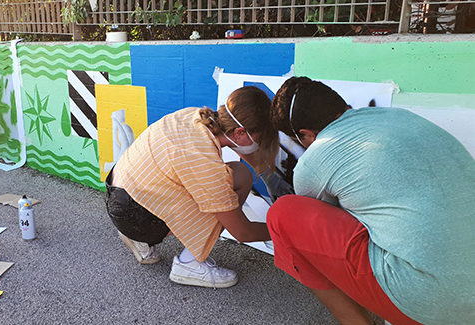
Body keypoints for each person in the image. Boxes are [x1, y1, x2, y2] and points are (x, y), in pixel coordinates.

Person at [266, 76, 475, 324]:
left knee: (283, 215)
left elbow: (326, 228)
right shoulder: (399, 116)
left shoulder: (314, 161)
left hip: (440, 304)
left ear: (305, 135)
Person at [105, 86, 279, 288]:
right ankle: (190, 264)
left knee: (238, 173)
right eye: (259, 138)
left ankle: (141, 242)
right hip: (137, 219)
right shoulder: (206, 163)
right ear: (240, 132)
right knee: (221, 198)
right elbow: (243, 232)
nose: (260, 144)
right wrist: (287, 233)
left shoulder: (193, 115)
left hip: (117, 197)